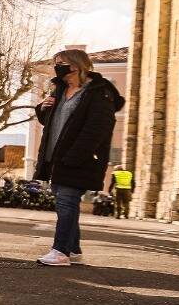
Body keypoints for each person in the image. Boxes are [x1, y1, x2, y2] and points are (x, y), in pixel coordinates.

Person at [35, 48, 125, 265]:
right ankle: (73, 250)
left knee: (66, 201)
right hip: (55, 157)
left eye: (61, 62)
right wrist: (43, 108)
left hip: (78, 159)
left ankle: (60, 251)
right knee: (65, 202)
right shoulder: (60, 90)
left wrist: (74, 157)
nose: (57, 66)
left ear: (76, 65)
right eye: (56, 62)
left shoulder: (98, 92)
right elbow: (50, 123)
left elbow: (98, 128)